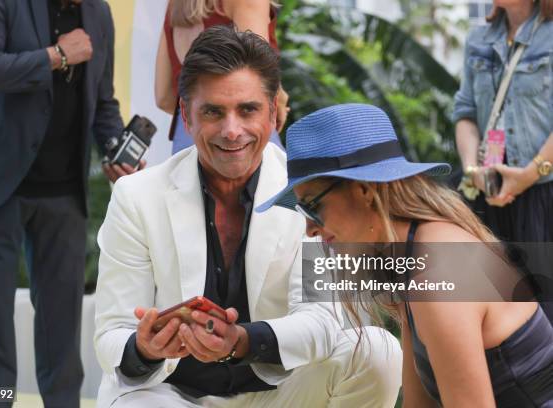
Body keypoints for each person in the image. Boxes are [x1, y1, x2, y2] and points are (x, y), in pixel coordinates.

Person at [94, 26, 401, 408]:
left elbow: (324, 319)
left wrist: (243, 340)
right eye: (213, 112)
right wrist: (145, 348)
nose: (232, 130)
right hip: (170, 395)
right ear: (187, 118)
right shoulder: (136, 195)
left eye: (248, 109)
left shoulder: (308, 192)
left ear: (273, 114)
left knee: (376, 349)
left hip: (278, 395)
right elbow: (111, 334)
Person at [257, 103, 553, 407]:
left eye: (312, 207)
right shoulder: (410, 260)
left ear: (364, 191)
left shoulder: (439, 270)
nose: (309, 230)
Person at [0, 0, 138, 405]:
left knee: (62, 314)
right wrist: (56, 56)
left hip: (64, 188)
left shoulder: (98, 13)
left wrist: (114, 148)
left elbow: (102, 101)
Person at [454, 0, 553, 321]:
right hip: (490, 192)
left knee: (545, 306)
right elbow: (465, 112)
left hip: (543, 193)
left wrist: (530, 172)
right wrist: (473, 170)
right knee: (496, 304)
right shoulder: (480, 39)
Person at [154, 0, 289, 154]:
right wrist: (280, 100)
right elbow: (260, 71)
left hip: (189, 136)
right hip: (243, 132)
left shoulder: (177, 6)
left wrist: (208, 112)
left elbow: (164, 97)